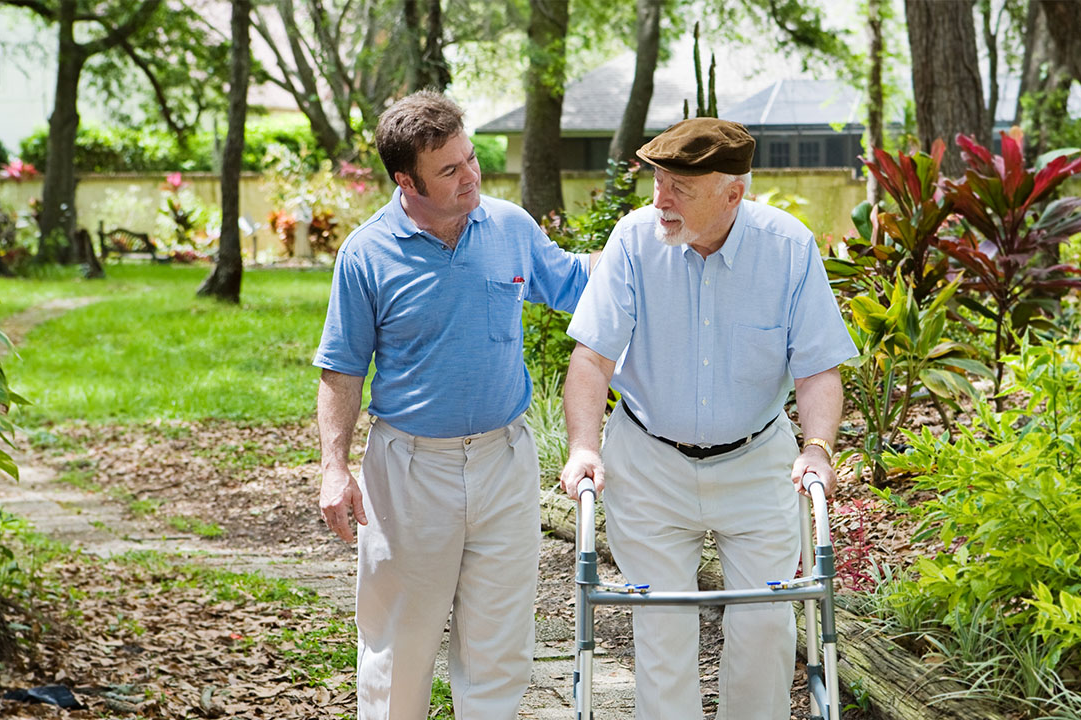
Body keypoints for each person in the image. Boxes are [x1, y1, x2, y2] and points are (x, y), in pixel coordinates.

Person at [558, 117, 857, 719]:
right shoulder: (634, 241)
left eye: (680, 189)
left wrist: (818, 448)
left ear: (733, 194)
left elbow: (819, 367)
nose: (660, 201)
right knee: (664, 634)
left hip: (756, 461)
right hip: (650, 463)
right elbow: (592, 358)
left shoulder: (788, 246)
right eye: (658, 183)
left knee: (766, 629)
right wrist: (583, 446)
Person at [314, 89, 597, 720]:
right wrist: (334, 466)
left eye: (470, 159)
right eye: (449, 170)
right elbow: (341, 369)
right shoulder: (366, 253)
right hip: (411, 469)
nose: (470, 176)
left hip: (504, 460)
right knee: (401, 645)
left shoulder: (510, 227)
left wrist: (647, 245)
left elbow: (577, 283)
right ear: (404, 180)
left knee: (499, 645)